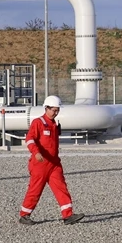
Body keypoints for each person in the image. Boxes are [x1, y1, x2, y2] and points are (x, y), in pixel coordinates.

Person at [18, 95, 84, 225]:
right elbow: (30, 139)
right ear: (46, 108)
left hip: (54, 163)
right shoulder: (38, 123)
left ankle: (68, 215)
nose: (56, 112)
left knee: (61, 188)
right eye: (54, 110)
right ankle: (24, 215)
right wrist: (36, 152)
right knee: (35, 190)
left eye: (57, 110)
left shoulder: (54, 124)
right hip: (40, 164)